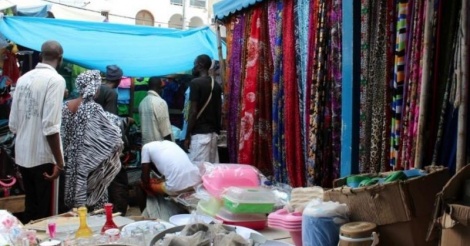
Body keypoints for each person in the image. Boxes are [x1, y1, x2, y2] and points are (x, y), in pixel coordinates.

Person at [9, 40, 65, 223]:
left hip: (23, 155)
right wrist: (59, 161)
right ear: (61, 59)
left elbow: (13, 124)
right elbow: (51, 127)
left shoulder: (23, 79)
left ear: (40, 56)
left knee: (31, 208)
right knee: (45, 214)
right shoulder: (56, 80)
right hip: (43, 158)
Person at [61, 70, 123, 211]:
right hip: (92, 166)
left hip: (71, 162)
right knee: (96, 206)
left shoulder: (65, 107)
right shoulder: (93, 108)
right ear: (95, 88)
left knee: (75, 204)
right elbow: (112, 135)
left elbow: (63, 134)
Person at [94, 64, 129, 215]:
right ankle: (119, 212)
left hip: (93, 143)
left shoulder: (96, 90)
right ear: (120, 79)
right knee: (118, 181)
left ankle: (102, 211)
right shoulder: (111, 94)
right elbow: (111, 121)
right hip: (107, 145)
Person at [184, 54, 222, 163]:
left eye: (195, 64)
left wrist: (187, 136)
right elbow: (219, 111)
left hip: (200, 135)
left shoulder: (195, 83)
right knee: (211, 171)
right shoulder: (216, 86)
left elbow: (193, 111)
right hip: (213, 135)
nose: (194, 67)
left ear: (200, 65)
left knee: (197, 172)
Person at [139, 77, 173, 145]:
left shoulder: (142, 103)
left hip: (146, 144)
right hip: (159, 145)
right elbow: (165, 129)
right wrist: (171, 145)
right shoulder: (160, 102)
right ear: (161, 86)